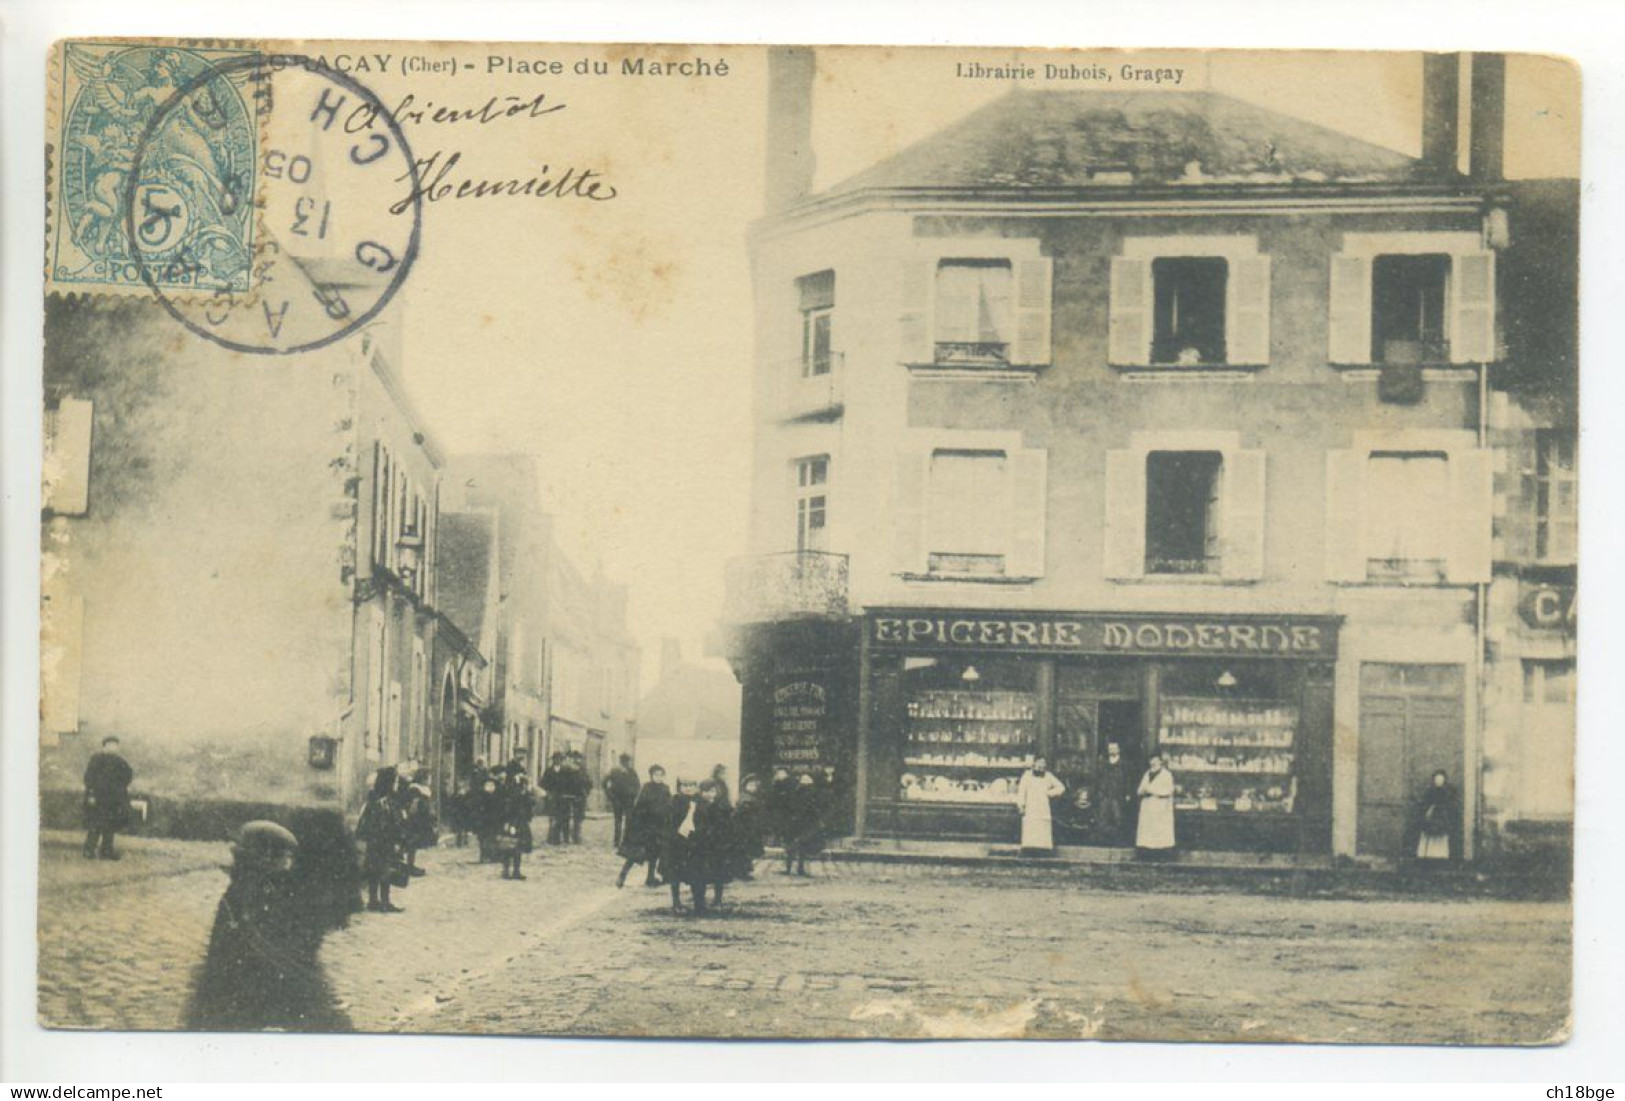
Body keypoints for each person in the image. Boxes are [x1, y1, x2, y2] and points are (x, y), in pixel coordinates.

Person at [186, 820, 353, 1032]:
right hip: (242, 992)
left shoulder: (258, 890)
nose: (288, 864)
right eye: (283, 858)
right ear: (265, 858)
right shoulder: (247, 897)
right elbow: (261, 949)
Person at [355, 767, 408, 912]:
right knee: (384, 870)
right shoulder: (384, 801)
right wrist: (397, 838)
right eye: (395, 780)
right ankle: (383, 901)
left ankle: (374, 901)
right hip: (384, 840)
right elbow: (389, 822)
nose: (396, 783)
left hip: (375, 840)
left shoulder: (374, 798)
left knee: (375, 869)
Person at [616, 764, 672, 888]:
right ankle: (622, 876)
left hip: (659, 827)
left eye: (661, 775)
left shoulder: (665, 789)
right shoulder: (647, 788)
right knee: (635, 854)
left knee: (654, 854)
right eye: (656, 774)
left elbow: (669, 806)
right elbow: (640, 807)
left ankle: (650, 878)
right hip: (646, 827)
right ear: (651, 775)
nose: (658, 777)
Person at [83, 736, 134, 860]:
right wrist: (91, 794)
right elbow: (89, 778)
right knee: (95, 825)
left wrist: (120, 789)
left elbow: (128, 776)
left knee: (110, 826)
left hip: (114, 799)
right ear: (104, 746)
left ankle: (106, 851)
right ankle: (89, 850)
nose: (113, 747)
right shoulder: (96, 760)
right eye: (110, 745)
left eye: (115, 745)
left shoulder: (120, 762)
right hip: (98, 797)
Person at [689, 779, 733, 912]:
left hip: (717, 845)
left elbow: (727, 823)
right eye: (706, 791)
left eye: (712, 791)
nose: (709, 794)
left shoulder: (722, 805)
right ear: (701, 792)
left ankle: (717, 900)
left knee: (718, 873)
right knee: (699, 875)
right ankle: (699, 903)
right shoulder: (697, 805)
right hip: (700, 845)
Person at [660, 779, 701, 914]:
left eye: (691, 785)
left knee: (696, 873)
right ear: (679, 788)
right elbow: (669, 822)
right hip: (676, 844)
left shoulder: (699, 802)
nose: (688, 788)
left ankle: (698, 903)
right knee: (675, 875)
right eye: (685, 786)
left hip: (693, 844)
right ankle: (676, 902)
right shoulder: (674, 802)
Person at [1409, 769, 1464, 865]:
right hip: (1431, 818)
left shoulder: (1448, 792)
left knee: (1441, 837)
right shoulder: (1429, 792)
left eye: (1441, 779)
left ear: (1444, 780)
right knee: (1429, 836)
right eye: (1437, 779)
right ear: (1434, 780)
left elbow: (1452, 805)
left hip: (1443, 818)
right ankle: (1428, 856)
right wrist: (1428, 813)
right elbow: (1424, 805)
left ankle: (1441, 856)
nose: (1439, 781)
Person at [1015, 756, 1066, 853]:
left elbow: (1061, 788)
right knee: (1030, 828)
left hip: (1043, 807)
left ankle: (1044, 850)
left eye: (1043, 763)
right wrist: (1021, 805)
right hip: (1030, 806)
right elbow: (1021, 792)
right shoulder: (1027, 776)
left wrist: (1049, 793)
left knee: (1042, 828)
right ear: (1034, 764)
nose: (1041, 765)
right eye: (1039, 763)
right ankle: (1029, 850)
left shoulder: (1048, 776)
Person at [1135, 755, 1178, 859]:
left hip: (1160, 808)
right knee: (1148, 833)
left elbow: (1168, 790)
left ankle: (1161, 854)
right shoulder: (1147, 774)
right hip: (1148, 807)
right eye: (1151, 760)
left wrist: (1150, 789)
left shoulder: (1166, 775)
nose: (1153, 763)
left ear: (1160, 762)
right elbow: (1140, 789)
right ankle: (1147, 854)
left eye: (1155, 760)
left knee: (1160, 833)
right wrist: (1143, 791)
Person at [782, 772, 824, 877]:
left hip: (796, 823)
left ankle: (789, 868)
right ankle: (799, 868)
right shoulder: (812, 794)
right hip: (804, 823)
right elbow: (814, 809)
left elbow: (790, 807)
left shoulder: (796, 792)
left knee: (793, 846)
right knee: (802, 847)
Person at [1095, 741, 1135, 846]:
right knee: (1103, 819)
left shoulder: (1124, 765)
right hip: (1105, 795)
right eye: (1110, 748)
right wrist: (1100, 792)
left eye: (1114, 748)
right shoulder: (1103, 764)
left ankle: (1118, 843)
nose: (1112, 750)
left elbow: (1129, 780)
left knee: (1119, 819)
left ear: (1119, 750)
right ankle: (1104, 843)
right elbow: (1098, 780)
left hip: (1119, 796)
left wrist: (1128, 793)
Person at [496, 773, 536, 880]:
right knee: (509, 846)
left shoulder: (525, 796)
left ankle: (516, 871)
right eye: (523, 784)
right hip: (513, 823)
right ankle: (506, 870)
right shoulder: (512, 796)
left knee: (519, 847)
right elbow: (506, 810)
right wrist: (507, 823)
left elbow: (530, 809)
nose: (524, 787)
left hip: (521, 823)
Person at [730, 773, 768, 880]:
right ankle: (741, 872)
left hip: (750, 828)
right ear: (745, 786)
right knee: (744, 851)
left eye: (754, 785)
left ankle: (743, 871)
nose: (752, 787)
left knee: (746, 851)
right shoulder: (746, 799)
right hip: (744, 829)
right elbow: (739, 814)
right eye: (750, 785)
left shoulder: (752, 797)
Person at [604, 753, 641, 849]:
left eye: (627, 761)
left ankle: (627, 841)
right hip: (617, 800)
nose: (626, 763)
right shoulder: (614, 771)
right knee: (618, 821)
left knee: (629, 821)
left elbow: (637, 785)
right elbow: (604, 783)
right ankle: (616, 841)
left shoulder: (632, 772)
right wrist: (610, 795)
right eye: (624, 761)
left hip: (629, 800)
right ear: (620, 762)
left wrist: (634, 795)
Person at [540, 752, 571, 845]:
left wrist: (569, 794)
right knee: (553, 818)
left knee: (565, 818)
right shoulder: (548, 771)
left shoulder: (567, 771)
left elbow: (572, 783)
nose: (558, 761)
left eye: (560, 759)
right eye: (556, 759)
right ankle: (553, 838)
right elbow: (543, 783)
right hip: (553, 797)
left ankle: (565, 838)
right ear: (553, 760)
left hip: (564, 798)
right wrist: (547, 793)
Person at [767, 767, 796, 848]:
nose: (781, 775)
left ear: (786, 774)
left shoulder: (790, 783)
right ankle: (776, 840)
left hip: (786, 808)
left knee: (785, 825)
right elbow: (772, 795)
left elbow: (791, 796)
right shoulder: (775, 783)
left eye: (782, 773)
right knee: (777, 825)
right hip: (777, 808)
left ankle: (784, 841)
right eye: (779, 773)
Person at [567, 750, 591, 843]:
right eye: (574, 758)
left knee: (579, 817)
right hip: (569, 796)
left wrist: (586, 792)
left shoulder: (583, 770)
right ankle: (567, 835)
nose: (576, 760)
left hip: (580, 795)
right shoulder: (568, 769)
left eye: (578, 758)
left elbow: (589, 782)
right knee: (567, 816)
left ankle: (576, 835)